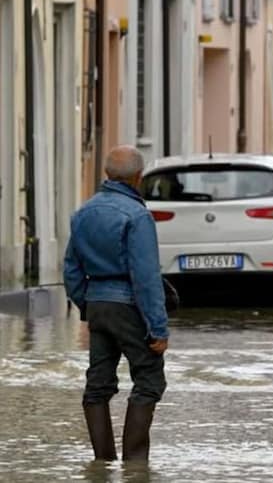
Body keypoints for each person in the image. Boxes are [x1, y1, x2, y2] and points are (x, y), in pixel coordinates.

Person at [63, 145, 169, 463]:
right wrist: (158, 328)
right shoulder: (138, 216)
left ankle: (103, 462)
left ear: (107, 174)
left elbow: (70, 268)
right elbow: (146, 277)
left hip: (97, 305)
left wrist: (88, 304)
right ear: (138, 177)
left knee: (97, 384)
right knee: (149, 380)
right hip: (129, 306)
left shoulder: (83, 213)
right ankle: (135, 466)